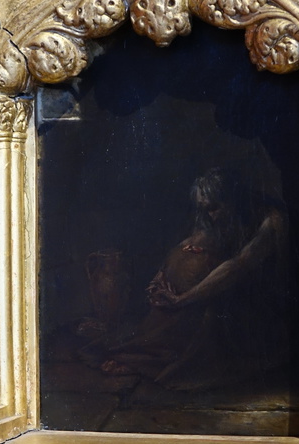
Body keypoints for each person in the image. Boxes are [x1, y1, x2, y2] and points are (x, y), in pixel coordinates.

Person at [102, 167, 288, 390]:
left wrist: (183, 298)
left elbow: (237, 267)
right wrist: (161, 276)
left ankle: (152, 360)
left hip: (257, 304)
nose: (209, 215)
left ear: (233, 200)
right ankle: (151, 353)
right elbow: (191, 242)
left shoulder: (271, 220)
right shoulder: (217, 216)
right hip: (225, 289)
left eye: (213, 208)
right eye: (204, 209)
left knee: (206, 311)